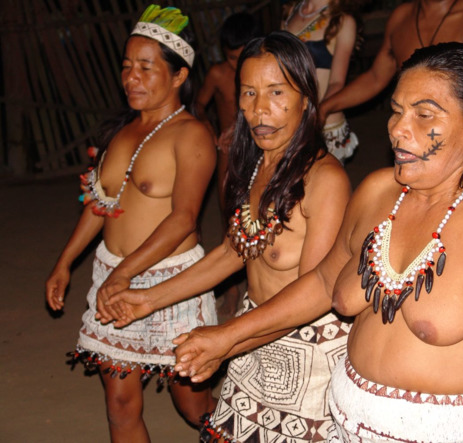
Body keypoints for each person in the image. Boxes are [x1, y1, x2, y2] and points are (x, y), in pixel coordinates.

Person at [152, 43, 463, 442]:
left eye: (424, 115)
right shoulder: (379, 193)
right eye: (397, 111)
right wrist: (226, 337)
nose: (398, 129)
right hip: (344, 425)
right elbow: (322, 282)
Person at [98, 31, 351, 442]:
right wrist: (148, 299)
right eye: (249, 93)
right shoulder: (257, 166)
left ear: (306, 98)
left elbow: (315, 293)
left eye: (276, 92)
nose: (259, 109)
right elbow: (233, 251)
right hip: (254, 338)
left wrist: (227, 339)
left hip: (308, 353)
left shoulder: (325, 180)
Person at [45, 5, 217, 441]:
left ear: (178, 76)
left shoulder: (192, 135)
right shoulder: (120, 133)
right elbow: (99, 204)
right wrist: (65, 262)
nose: (130, 78)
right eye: (126, 66)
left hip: (170, 281)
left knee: (193, 404)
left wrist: (124, 274)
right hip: (111, 274)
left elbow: (183, 219)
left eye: (145, 67)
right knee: (119, 404)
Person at [320, 0, 463, 121]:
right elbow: (376, 77)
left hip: (456, 133)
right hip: (407, 127)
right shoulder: (401, 17)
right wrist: (326, 107)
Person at [195, 11, 260, 321]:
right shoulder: (219, 74)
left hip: (259, 149)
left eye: (243, 56)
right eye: (232, 58)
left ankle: (258, 283)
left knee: (260, 214)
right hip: (228, 151)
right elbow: (198, 104)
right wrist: (209, 128)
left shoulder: (262, 73)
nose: (238, 65)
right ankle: (232, 288)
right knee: (229, 215)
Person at [283, 0, 362, 163]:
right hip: (290, 120)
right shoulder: (291, 11)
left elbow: (336, 83)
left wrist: (314, 119)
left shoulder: (343, 21)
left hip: (323, 125)